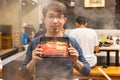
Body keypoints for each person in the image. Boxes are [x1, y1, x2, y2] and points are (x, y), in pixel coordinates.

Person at [21, 1, 90, 80]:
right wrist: (33, 61)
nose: (55, 21)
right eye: (51, 16)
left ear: (64, 20)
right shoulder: (35, 43)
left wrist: (76, 61)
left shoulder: (72, 42)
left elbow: (87, 71)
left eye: (59, 17)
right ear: (44, 19)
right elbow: (24, 74)